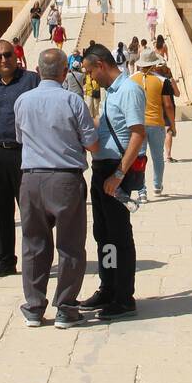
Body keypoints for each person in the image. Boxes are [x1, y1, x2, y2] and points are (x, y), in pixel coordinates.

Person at [14, 48, 100, 327]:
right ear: (65, 72)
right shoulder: (73, 101)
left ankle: (34, 307)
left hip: (31, 179)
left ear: (38, 71)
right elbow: (92, 144)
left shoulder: (23, 101)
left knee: (33, 244)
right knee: (71, 245)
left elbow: (21, 138)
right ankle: (65, 307)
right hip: (65, 178)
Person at [79, 44, 146, 321]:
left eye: (90, 70)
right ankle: (107, 287)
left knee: (119, 235)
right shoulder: (112, 92)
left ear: (101, 65)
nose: (90, 77)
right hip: (102, 167)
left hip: (118, 169)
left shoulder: (129, 90)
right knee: (103, 233)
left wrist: (118, 174)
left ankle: (123, 297)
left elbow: (138, 134)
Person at [0, 41, 39, 278]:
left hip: (26, 152)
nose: (4, 60)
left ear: (16, 55)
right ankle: (5, 260)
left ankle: (37, 258)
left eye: (7, 55)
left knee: (31, 210)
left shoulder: (31, 81)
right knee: (1, 208)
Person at [131, 48, 175, 197]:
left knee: (139, 157)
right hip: (156, 122)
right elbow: (168, 105)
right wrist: (172, 125)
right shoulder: (162, 81)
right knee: (157, 156)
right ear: (154, 64)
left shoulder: (131, 79)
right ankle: (157, 185)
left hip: (138, 123)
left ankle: (141, 191)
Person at [157, 61, 180, 163]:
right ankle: (168, 155)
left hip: (157, 106)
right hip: (169, 105)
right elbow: (177, 94)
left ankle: (159, 154)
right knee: (168, 130)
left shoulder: (155, 79)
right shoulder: (170, 80)